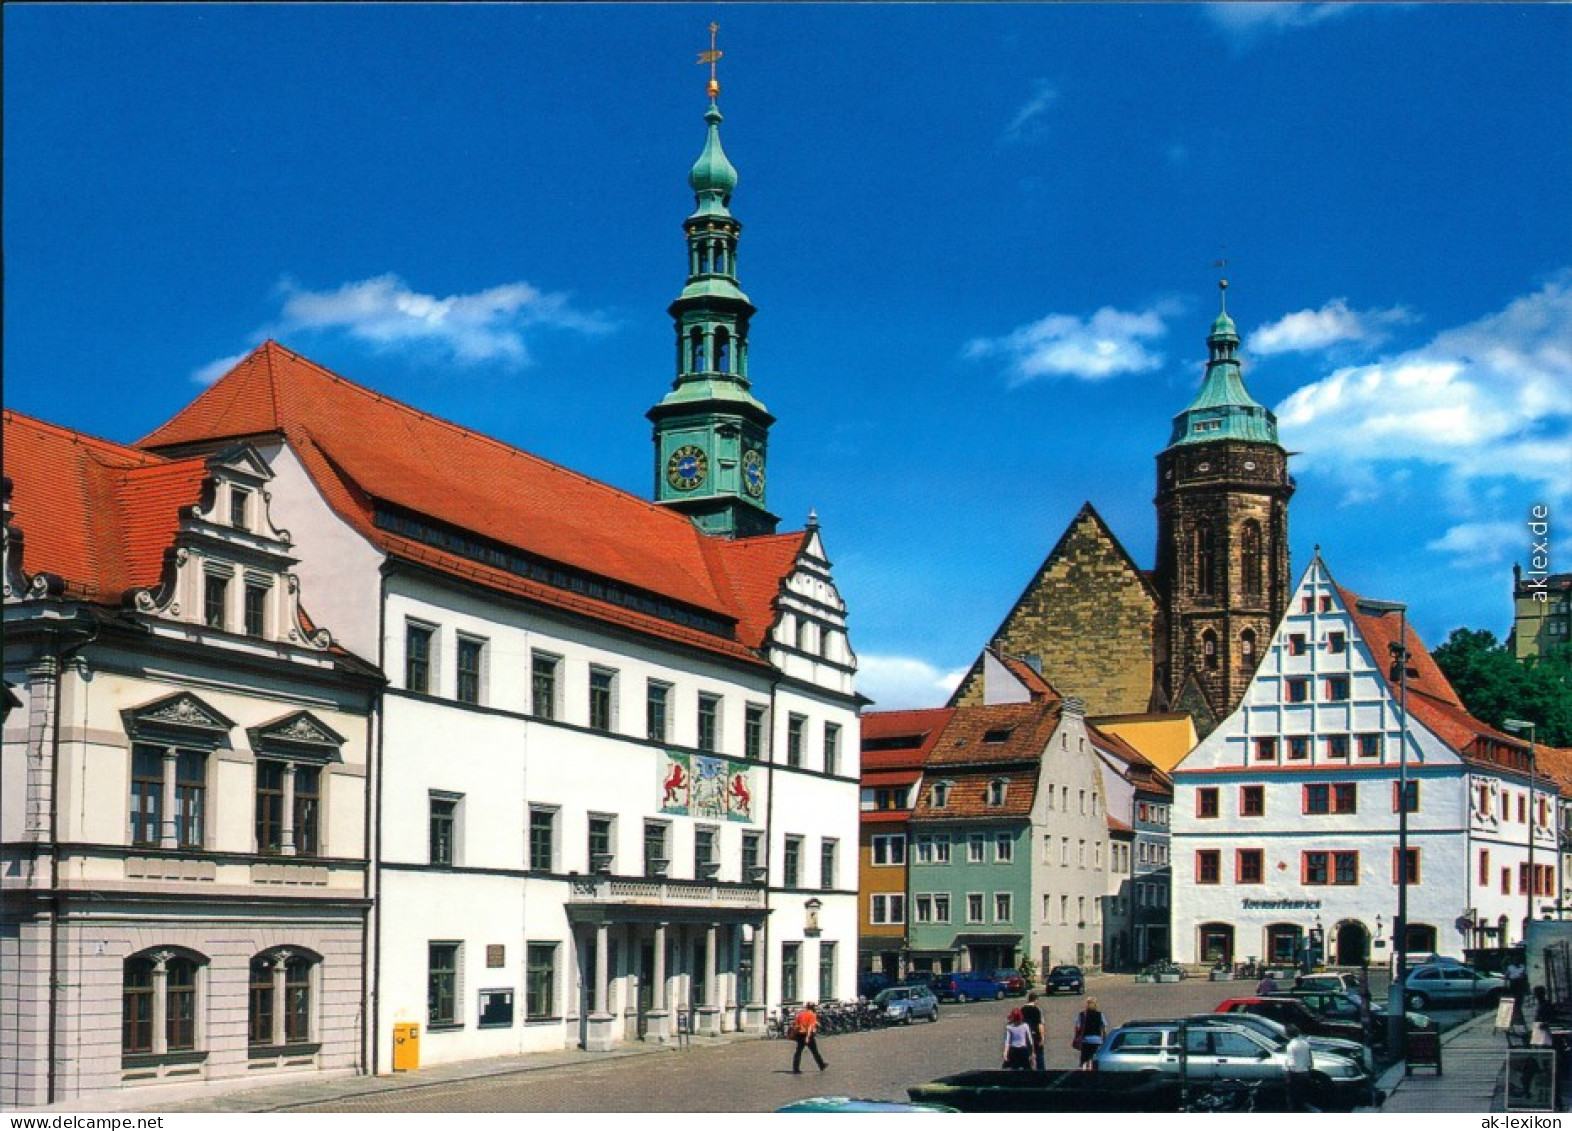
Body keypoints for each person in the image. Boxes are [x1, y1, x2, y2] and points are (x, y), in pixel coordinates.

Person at [790, 1002, 827, 1074]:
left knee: (798, 1052)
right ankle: (821, 1065)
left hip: (800, 1034)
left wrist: (793, 1034)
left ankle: (795, 1068)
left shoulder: (801, 1014)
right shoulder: (812, 1015)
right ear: (813, 1008)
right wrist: (808, 1037)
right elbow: (810, 1027)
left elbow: (795, 1025)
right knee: (815, 1051)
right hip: (808, 1034)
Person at [1284, 1024, 1313, 1111]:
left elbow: (1291, 1063)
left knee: (1292, 1097)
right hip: (1305, 1072)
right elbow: (1310, 1059)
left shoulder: (1290, 1046)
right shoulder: (1305, 1043)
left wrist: (1288, 1076)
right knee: (1303, 1095)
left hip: (1295, 1074)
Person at [1072, 996, 1107, 1068]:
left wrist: (1076, 1038)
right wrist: (1104, 1040)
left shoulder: (1082, 1015)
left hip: (1086, 1040)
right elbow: (1104, 1028)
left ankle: (1085, 1073)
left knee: (1085, 1059)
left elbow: (1077, 1027)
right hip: (1097, 1040)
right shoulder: (1100, 1014)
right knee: (1094, 1059)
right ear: (1096, 1004)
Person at [1020, 992, 1046, 1070]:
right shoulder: (1037, 1009)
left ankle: (1027, 1071)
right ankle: (1041, 1072)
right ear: (1035, 1000)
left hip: (1025, 1035)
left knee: (1027, 1053)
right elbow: (1040, 1024)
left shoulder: (1022, 1009)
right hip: (1035, 1034)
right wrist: (1042, 1037)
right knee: (1039, 1054)